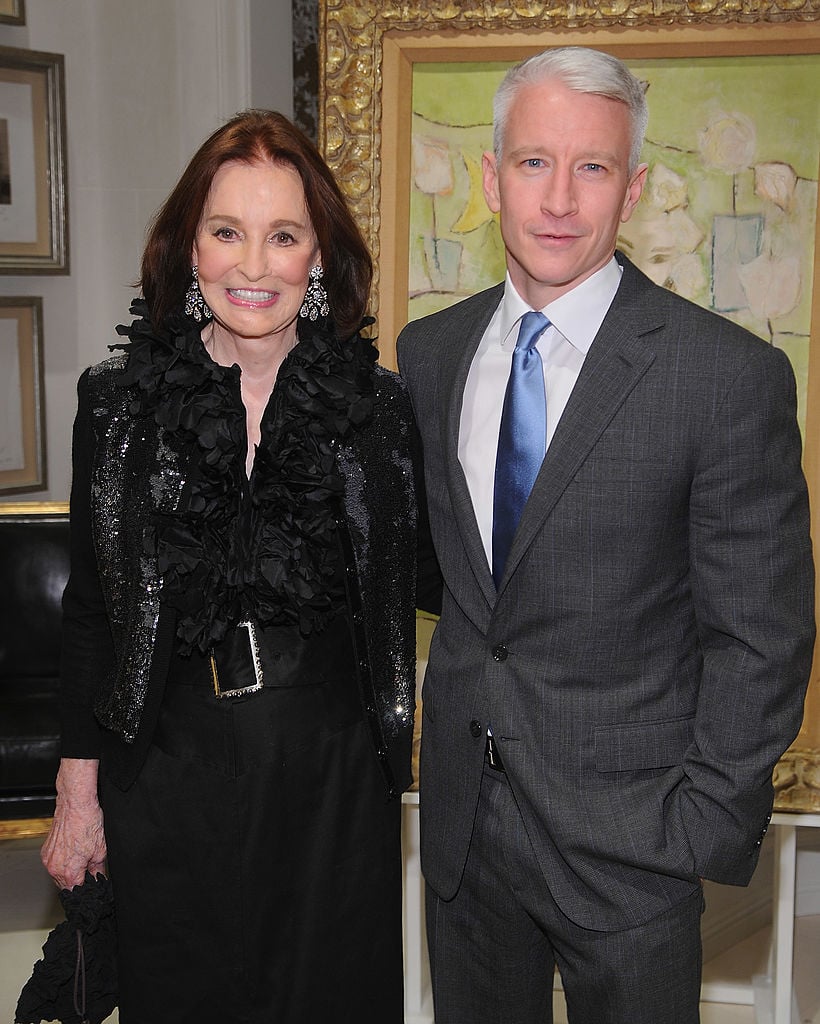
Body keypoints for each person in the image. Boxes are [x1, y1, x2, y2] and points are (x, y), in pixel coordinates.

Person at [397, 46, 815, 1024]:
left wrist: (697, 824)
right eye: (534, 162)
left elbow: (761, 635)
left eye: (591, 168)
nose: (557, 198)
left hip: (633, 846)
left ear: (630, 194)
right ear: (490, 178)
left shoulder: (724, 378)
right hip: (463, 831)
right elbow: (447, 577)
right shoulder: (430, 354)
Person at [41, 109, 433, 1024]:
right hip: (166, 778)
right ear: (189, 246)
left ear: (318, 258)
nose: (253, 266)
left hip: (331, 784)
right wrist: (77, 795)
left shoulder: (377, 412)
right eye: (227, 232)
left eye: (283, 235)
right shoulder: (115, 407)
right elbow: (91, 612)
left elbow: (439, 579)